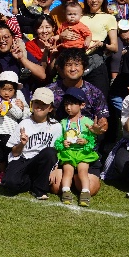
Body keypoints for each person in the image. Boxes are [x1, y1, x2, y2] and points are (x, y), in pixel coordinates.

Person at [48, 49, 109, 197]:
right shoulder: (51, 91)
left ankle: (77, 175)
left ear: (84, 67)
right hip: (62, 149)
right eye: (68, 65)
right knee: (56, 188)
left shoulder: (94, 92)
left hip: (85, 150)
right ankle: (67, 174)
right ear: (61, 68)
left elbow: (103, 121)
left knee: (91, 188)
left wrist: (99, 129)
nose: (73, 68)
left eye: (77, 64)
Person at [2, 87, 62, 198]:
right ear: (32, 104)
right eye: (37, 103)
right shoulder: (24, 123)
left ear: (50, 108)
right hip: (22, 159)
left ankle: (39, 189)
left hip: (40, 162)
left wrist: (56, 168)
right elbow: (14, 153)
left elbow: (55, 152)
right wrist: (22, 144)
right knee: (10, 184)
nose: (39, 106)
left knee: (50, 152)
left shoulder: (56, 126)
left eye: (44, 104)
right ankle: (33, 181)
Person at [55, 87, 99, 206]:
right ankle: (66, 192)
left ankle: (85, 193)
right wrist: (63, 143)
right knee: (67, 171)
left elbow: (92, 140)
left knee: (82, 171)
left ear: (82, 105)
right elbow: (59, 139)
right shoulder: (63, 122)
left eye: (72, 104)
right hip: (68, 152)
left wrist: (85, 141)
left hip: (83, 153)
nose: (68, 107)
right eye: (66, 104)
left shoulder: (88, 122)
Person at [80, 0, 118, 98]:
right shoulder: (79, 16)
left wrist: (102, 44)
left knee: (98, 100)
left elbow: (114, 47)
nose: (94, 0)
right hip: (78, 62)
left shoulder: (109, 18)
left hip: (96, 63)